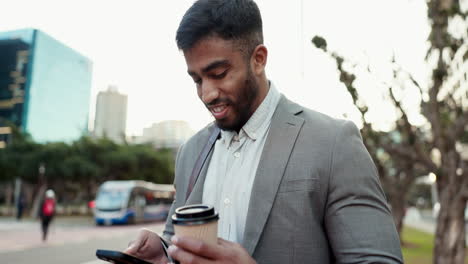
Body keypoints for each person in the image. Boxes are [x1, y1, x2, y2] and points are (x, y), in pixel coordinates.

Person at [125, 0, 403, 263]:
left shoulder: (333, 143)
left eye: (219, 73)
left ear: (258, 59)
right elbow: (179, 240)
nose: (207, 94)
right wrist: (164, 252)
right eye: (197, 79)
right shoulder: (190, 152)